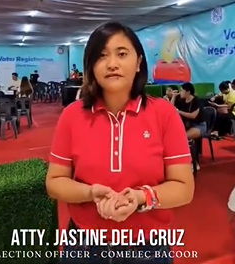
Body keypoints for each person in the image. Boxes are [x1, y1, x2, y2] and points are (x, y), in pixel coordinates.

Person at [46, 21, 194, 264]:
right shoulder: (72, 115)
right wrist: (91, 193)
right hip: (84, 245)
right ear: (91, 66)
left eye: (122, 54)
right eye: (102, 56)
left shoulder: (164, 114)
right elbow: (55, 182)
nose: (112, 63)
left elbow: (183, 188)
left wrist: (139, 198)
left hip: (148, 248)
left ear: (138, 63)